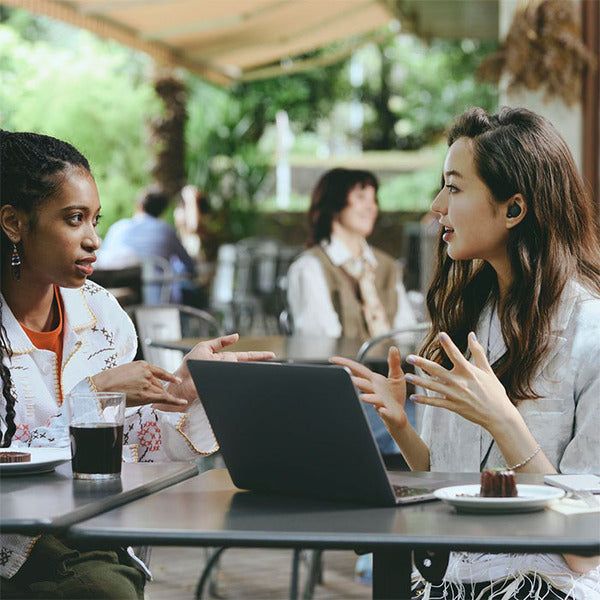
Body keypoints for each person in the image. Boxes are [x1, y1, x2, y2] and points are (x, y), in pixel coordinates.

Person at [333, 107, 600, 599]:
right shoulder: (469, 319)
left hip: (545, 586)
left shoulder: (591, 334)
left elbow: (584, 549)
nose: (437, 206)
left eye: (453, 188)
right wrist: (401, 427)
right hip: (451, 581)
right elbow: (450, 487)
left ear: (513, 209)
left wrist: (504, 421)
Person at [0, 129, 274, 599]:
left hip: (93, 533)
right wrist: (91, 396)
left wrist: (176, 397)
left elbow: (128, 453)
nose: (94, 240)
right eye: (74, 219)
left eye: (95, 220)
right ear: (13, 222)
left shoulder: (102, 315)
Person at [287, 167, 417, 340]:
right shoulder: (310, 267)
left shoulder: (387, 266)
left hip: (392, 358)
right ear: (334, 203)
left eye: (374, 199)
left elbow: (407, 333)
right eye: (361, 197)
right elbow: (320, 339)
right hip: (339, 359)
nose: (371, 207)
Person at [98, 185, 196, 303]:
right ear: (162, 211)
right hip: (159, 302)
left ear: (139, 205)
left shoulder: (117, 228)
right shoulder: (166, 230)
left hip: (118, 302)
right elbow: (190, 267)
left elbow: (103, 265)